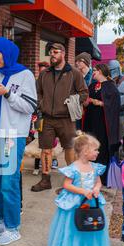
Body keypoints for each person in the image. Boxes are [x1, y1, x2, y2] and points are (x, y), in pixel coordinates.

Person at [0, 37, 36, 246]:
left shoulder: (25, 75)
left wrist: (8, 93)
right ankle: (0, 221)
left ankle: (13, 227)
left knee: (9, 182)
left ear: (7, 53)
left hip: (12, 136)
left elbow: (30, 107)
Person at [47, 134, 110, 246]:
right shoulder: (73, 168)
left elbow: (98, 181)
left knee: (92, 226)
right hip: (75, 203)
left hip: (91, 201)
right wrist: (82, 191)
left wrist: (96, 188)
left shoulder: (95, 167)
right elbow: (67, 185)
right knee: (74, 228)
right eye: (95, 150)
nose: (98, 152)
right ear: (85, 151)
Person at [32, 42, 88, 192]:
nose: (52, 55)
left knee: (69, 148)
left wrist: (71, 101)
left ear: (63, 53)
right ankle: (45, 180)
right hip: (47, 118)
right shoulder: (44, 74)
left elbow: (84, 93)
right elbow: (38, 92)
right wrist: (41, 103)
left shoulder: (74, 73)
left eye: (55, 52)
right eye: (50, 52)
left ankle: (73, 180)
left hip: (66, 119)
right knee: (45, 149)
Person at [82, 64, 120, 185]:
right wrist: (86, 102)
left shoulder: (111, 87)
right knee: (91, 146)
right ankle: (90, 175)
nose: (92, 72)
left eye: (94, 71)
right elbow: (86, 101)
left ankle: (103, 177)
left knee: (102, 148)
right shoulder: (92, 86)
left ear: (101, 71)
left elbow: (114, 106)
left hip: (104, 123)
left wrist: (99, 103)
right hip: (91, 121)